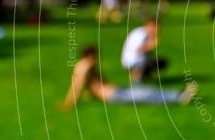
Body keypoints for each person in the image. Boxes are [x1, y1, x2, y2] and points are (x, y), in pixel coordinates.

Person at [60, 46, 194, 110]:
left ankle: (179, 94)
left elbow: (90, 84)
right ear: (90, 56)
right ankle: (179, 98)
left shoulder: (87, 66)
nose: (98, 58)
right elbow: (76, 87)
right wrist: (68, 104)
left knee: (146, 90)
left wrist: (89, 95)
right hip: (112, 95)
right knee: (145, 96)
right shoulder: (85, 67)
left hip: (115, 91)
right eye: (96, 55)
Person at [121, 17, 168, 82]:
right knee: (157, 62)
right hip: (133, 61)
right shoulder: (141, 34)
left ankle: (143, 75)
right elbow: (138, 50)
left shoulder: (143, 32)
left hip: (136, 60)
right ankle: (136, 73)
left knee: (160, 61)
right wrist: (152, 45)